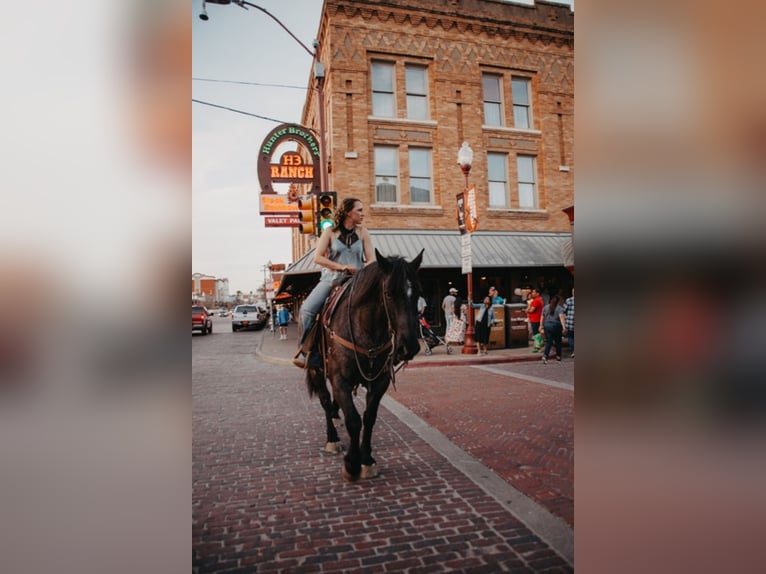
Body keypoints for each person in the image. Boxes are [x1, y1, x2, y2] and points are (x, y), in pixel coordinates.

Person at [293, 197, 375, 368]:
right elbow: (317, 257)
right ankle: (306, 352)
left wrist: (363, 270)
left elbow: (371, 259)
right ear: (347, 212)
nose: (362, 214)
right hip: (331, 280)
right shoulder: (330, 232)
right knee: (307, 310)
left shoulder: (363, 233)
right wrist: (341, 267)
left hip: (358, 281)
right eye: (359, 210)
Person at [541, 295, 566, 364]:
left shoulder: (546, 307)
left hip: (547, 325)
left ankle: (545, 355)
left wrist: (541, 326)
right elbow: (561, 318)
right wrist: (564, 327)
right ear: (558, 301)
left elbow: (542, 317)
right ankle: (558, 356)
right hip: (556, 326)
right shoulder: (560, 308)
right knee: (558, 341)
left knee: (549, 341)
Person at [560, 287, 574, 358]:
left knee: (571, 337)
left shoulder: (569, 300)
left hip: (571, 322)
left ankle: (574, 351)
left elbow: (563, 310)